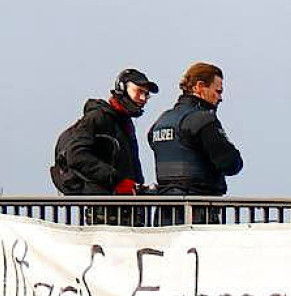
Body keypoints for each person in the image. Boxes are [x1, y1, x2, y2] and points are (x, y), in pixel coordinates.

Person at [148, 62, 243, 216]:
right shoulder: (202, 120)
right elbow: (230, 163)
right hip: (198, 210)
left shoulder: (161, 121)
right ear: (199, 86)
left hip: (163, 211)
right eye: (217, 91)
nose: (220, 98)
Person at [51, 68, 159, 197]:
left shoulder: (124, 122)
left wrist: (136, 187)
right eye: (139, 91)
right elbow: (76, 155)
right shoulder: (98, 117)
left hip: (124, 203)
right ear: (121, 88)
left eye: (146, 95)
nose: (143, 98)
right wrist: (118, 181)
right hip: (103, 205)